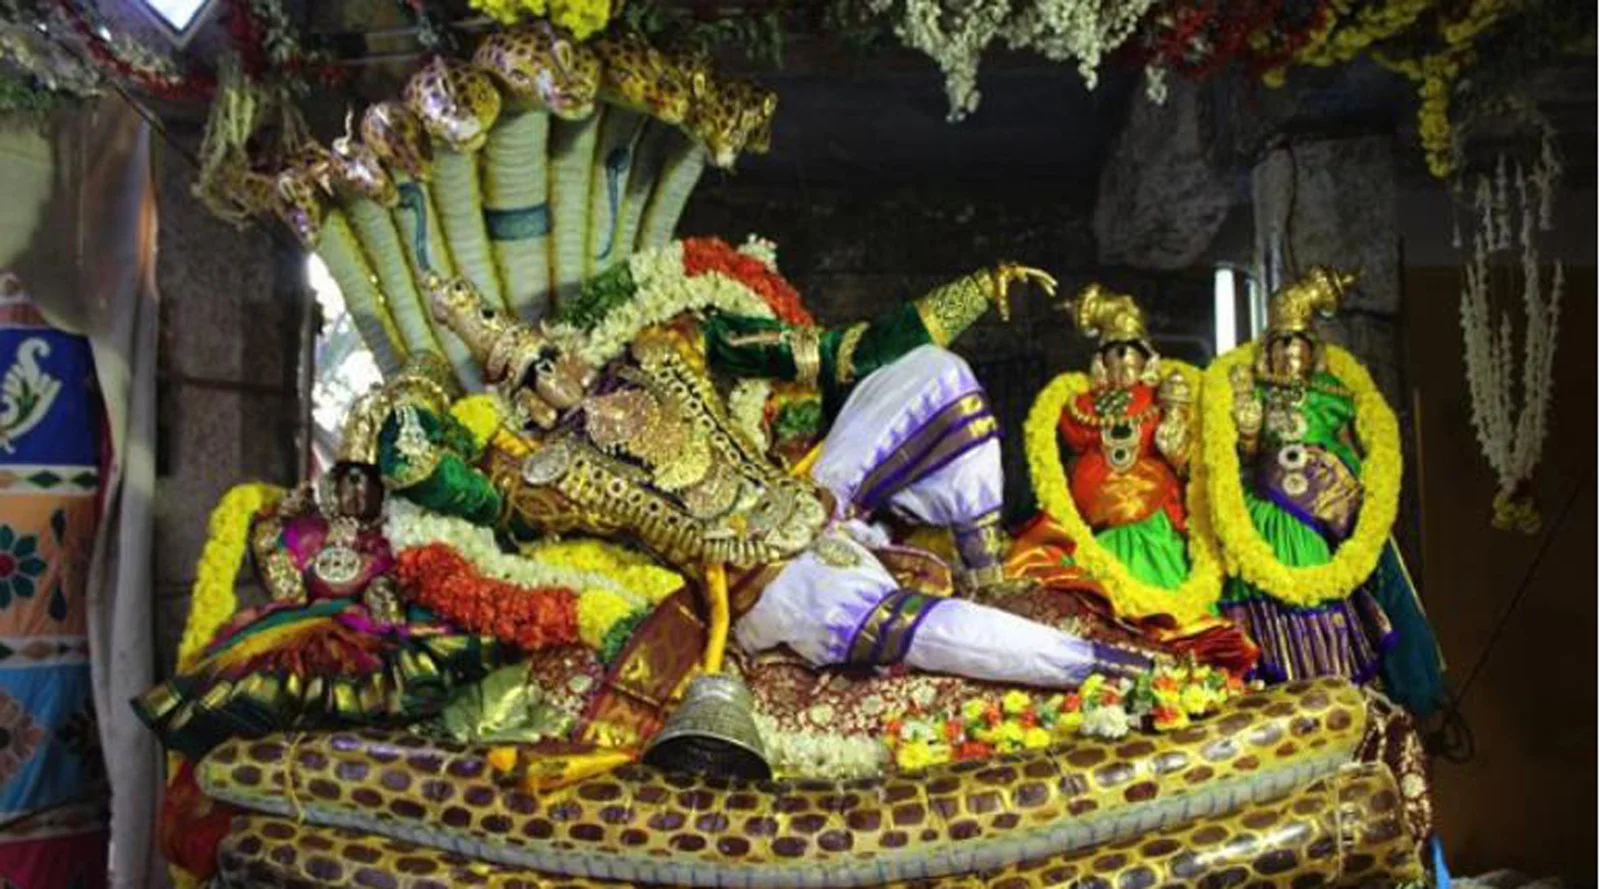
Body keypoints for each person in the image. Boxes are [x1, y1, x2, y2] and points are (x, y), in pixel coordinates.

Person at [428, 264, 1154, 691]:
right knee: (908, 628)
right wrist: (416, 428)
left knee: (937, 375)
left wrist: (966, 294)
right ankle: (1092, 666)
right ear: (528, 404)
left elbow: (833, 352)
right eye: (536, 375)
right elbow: (480, 499)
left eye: (550, 354)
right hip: (764, 580)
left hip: (812, 494)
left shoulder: (661, 350)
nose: (558, 373)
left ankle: (983, 563)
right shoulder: (552, 470)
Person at [132, 365, 507, 758]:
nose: (356, 490)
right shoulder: (303, 528)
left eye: (366, 479)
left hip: (371, 640)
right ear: (334, 478)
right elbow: (287, 587)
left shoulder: (400, 535)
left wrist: (384, 599)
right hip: (298, 628)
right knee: (248, 688)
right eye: (348, 477)